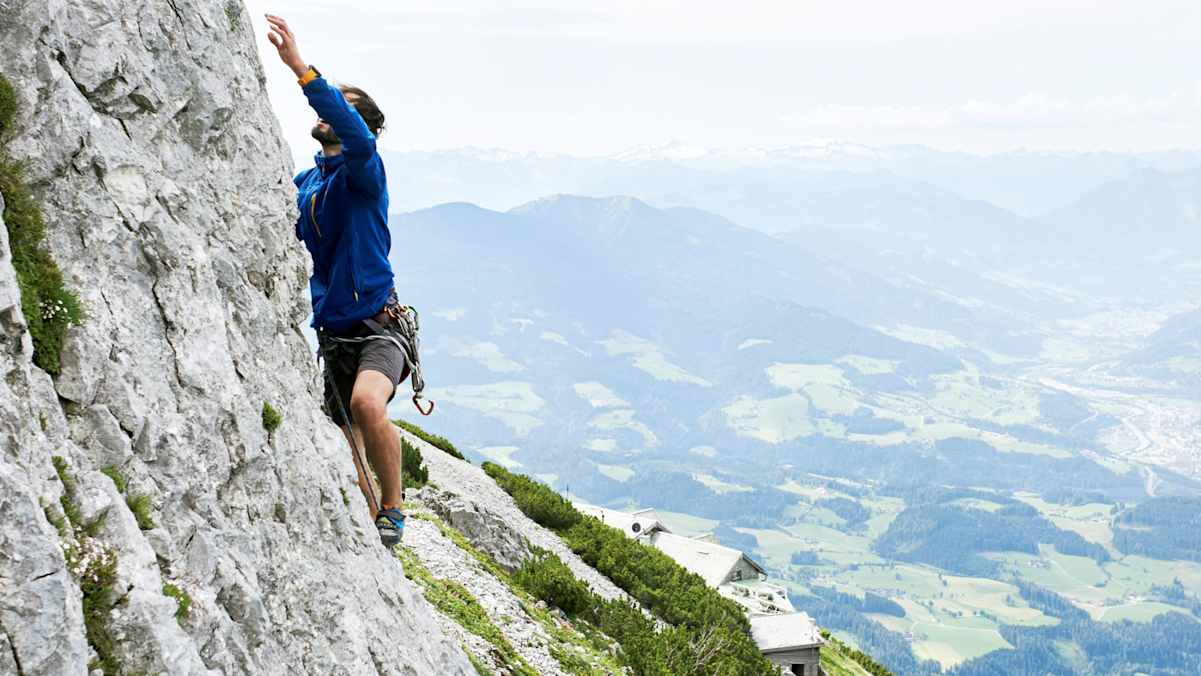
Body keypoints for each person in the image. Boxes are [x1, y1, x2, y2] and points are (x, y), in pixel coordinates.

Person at [266, 14, 407, 546]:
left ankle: (393, 509)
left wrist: (303, 71)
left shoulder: (364, 173)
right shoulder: (308, 183)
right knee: (344, 440)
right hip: (332, 330)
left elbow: (353, 134)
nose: (330, 113)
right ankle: (372, 525)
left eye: (341, 107)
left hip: (376, 323)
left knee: (368, 405)